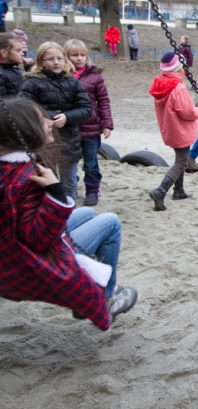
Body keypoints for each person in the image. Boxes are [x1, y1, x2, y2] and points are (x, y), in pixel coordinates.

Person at [0, 98, 137, 330]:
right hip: (28, 263)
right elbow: (39, 239)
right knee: (110, 222)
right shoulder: (26, 177)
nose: (49, 123)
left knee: (85, 213)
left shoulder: (8, 167)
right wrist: (55, 193)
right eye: (42, 120)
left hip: (9, 253)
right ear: (25, 131)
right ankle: (106, 297)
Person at [20, 41, 93, 201]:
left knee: (70, 182)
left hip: (69, 139)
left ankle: (69, 214)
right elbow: (24, 107)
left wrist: (67, 117)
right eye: (51, 59)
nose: (56, 62)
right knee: (47, 183)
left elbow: (86, 108)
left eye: (60, 58)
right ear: (41, 61)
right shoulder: (32, 83)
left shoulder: (73, 82)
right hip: (43, 141)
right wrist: (49, 116)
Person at [148, 52, 198, 210]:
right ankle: (161, 190)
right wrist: (197, 110)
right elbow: (186, 111)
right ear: (179, 69)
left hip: (170, 128)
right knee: (181, 162)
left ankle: (179, 190)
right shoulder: (177, 86)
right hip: (180, 129)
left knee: (180, 158)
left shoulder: (161, 83)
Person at [64, 40, 113, 207]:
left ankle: (92, 189)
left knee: (91, 162)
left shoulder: (95, 77)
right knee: (69, 161)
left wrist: (107, 123)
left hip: (91, 128)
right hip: (69, 127)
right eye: (74, 55)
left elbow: (103, 102)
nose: (79, 59)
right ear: (66, 57)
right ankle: (71, 185)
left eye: (82, 55)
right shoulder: (63, 77)